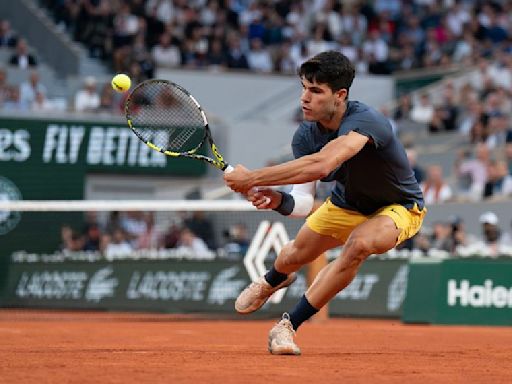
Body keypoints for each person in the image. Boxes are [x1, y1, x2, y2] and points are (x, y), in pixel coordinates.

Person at [224, 51, 426, 355]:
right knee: (293, 255)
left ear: (340, 95)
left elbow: (323, 164)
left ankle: (287, 325)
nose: (305, 98)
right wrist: (278, 199)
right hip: (345, 204)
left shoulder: (367, 121)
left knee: (359, 245)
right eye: (304, 88)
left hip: (398, 207)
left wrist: (252, 177)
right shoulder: (304, 136)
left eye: (316, 91)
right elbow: (304, 203)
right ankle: (272, 280)